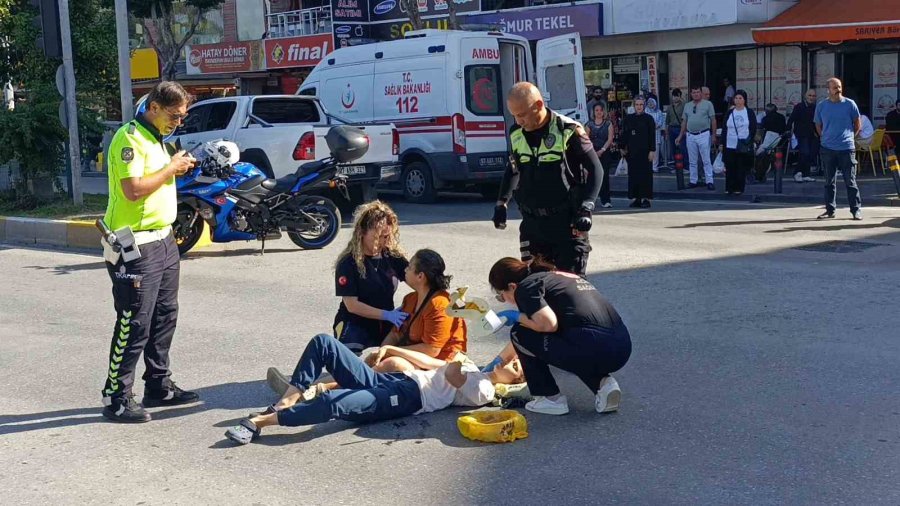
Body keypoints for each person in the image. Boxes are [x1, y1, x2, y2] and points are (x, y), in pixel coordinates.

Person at [99, 81, 199, 423]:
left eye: (182, 117)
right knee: (134, 320)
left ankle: (158, 384)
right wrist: (171, 168)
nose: (177, 122)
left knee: (165, 314)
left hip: (164, 240)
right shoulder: (129, 139)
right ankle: (116, 396)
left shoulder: (157, 138)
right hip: (135, 243)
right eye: (174, 115)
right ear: (153, 107)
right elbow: (132, 190)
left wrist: (177, 166)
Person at [224, 334, 515, 445]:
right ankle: (286, 402)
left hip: (407, 399)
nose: (511, 363)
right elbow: (433, 363)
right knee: (324, 343)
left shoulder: (485, 390)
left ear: (512, 382)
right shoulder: (475, 369)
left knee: (335, 402)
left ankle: (260, 422)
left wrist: (461, 359)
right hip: (395, 381)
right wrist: (392, 349)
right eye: (514, 361)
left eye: (516, 368)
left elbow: (451, 372)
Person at [486, 257, 631, 416]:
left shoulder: (526, 287)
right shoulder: (557, 277)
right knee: (571, 340)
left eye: (501, 296)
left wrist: (515, 316)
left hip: (592, 348)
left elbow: (548, 324)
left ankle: (549, 398)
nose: (505, 301)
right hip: (621, 347)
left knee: (520, 332)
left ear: (511, 286)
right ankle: (603, 385)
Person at [493, 82, 603, 277]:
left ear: (538, 105)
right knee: (534, 286)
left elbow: (596, 169)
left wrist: (587, 206)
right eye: (514, 115)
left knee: (568, 288)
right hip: (532, 224)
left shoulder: (568, 130)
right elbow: (513, 169)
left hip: (566, 224)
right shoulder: (516, 133)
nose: (518, 121)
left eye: (522, 114)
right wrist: (502, 203)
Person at [364, 249, 467, 373]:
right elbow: (395, 333)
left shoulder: (439, 304)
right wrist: (381, 353)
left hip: (441, 365)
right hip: (414, 359)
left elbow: (432, 350)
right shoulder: (410, 299)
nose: (405, 270)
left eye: (409, 267)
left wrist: (390, 351)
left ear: (420, 276)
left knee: (393, 363)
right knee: (372, 360)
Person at [333, 201, 409, 355]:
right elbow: (352, 305)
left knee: (409, 350)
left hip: (386, 322)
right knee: (346, 361)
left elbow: (418, 280)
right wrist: (386, 314)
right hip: (354, 321)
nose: (384, 241)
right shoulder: (348, 262)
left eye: (387, 236)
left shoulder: (392, 256)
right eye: (378, 236)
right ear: (362, 232)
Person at [815, 77, 862, 220]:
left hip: (846, 148)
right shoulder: (821, 106)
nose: (838, 90)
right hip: (828, 148)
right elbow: (818, 124)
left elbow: (857, 124)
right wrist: (823, 137)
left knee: (850, 181)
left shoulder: (850, 104)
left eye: (840, 87)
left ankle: (856, 210)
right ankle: (830, 210)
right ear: (828, 90)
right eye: (835, 87)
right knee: (829, 182)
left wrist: (850, 138)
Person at [675, 85, 718, 190]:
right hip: (690, 135)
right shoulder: (687, 105)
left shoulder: (708, 104)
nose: (696, 94)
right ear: (691, 94)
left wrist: (713, 135)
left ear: (701, 93)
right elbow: (684, 121)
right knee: (692, 160)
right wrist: (680, 136)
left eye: (698, 92)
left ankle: (709, 181)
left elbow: (713, 120)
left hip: (703, 134)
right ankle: (693, 180)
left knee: (706, 159)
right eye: (694, 92)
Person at [719, 90, 757, 196]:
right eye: (736, 98)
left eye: (740, 98)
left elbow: (753, 128)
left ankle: (739, 188)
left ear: (744, 100)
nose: (738, 100)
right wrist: (722, 143)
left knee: (740, 167)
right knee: (730, 166)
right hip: (730, 143)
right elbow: (724, 128)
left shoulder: (749, 112)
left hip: (743, 144)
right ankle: (729, 187)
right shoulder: (730, 112)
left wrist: (749, 141)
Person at [621, 97, 657, 208]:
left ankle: (646, 199)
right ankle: (637, 198)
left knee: (645, 175)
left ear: (644, 106)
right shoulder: (629, 118)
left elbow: (652, 135)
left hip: (645, 152)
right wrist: (622, 147)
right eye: (637, 104)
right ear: (634, 105)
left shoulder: (649, 119)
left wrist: (652, 150)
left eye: (641, 104)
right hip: (632, 151)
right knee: (634, 175)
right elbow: (625, 133)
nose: (639, 107)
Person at [585, 102, 615, 208]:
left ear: (604, 112)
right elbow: (586, 139)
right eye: (596, 110)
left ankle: (605, 200)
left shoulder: (608, 124)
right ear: (593, 112)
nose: (599, 112)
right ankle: (590, 200)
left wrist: (602, 150)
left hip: (604, 152)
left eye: (601, 110)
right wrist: (593, 151)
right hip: (592, 152)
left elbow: (610, 139)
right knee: (591, 177)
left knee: (604, 176)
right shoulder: (589, 124)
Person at [787, 89, 819, 183]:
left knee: (811, 154)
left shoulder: (815, 107)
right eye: (810, 95)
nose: (811, 98)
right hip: (801, 134)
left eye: (813, 96)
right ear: (805, 96)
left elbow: (817, 121)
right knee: (805, 153)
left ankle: (806, 174)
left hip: (812, 134)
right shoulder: (799, 107)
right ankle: (797, 172)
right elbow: (791, 119)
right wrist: (788, 130)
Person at [666, 88, 686, 167]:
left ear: (680, 96)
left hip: (680, 129)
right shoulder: (669, 107)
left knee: (682, 147)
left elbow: (686, 118)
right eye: (674, 96)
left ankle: (684, 165)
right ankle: (676, 165)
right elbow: (667, 121)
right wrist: (667, 132)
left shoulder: (684, 106)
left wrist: (685, 130)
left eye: (677, 96)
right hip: (672, 129)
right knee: (673, 148)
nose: (675, 98)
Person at [645, 98, 666, 172]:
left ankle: (654, 167)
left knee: (655, 151)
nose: (650, 104)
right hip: (647, 134)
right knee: (647, 150)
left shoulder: (659, 111)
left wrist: (655, 125)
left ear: (655, 103)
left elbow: (661, 122)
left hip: (656, 133)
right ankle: (648, 166)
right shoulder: (645, 111)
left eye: (652, 102)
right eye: (649, 102)